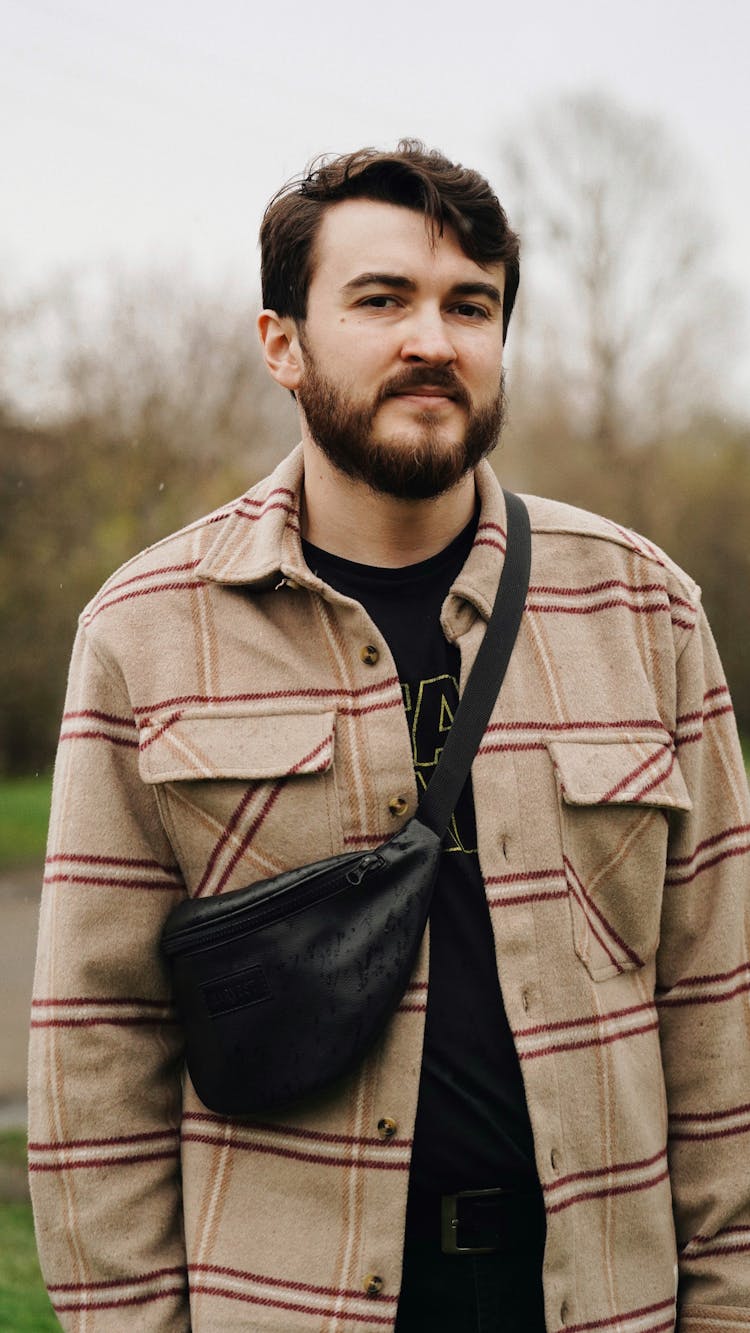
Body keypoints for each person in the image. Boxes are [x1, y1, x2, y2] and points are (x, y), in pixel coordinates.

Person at [29, 141, 750, 1333]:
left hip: (601, 1304)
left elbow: (720, 1005)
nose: (435, 338)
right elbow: (94, 1050)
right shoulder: (146, 630)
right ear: (283, 344)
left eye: (471, 305)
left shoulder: (645, 609)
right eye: (381, 300)